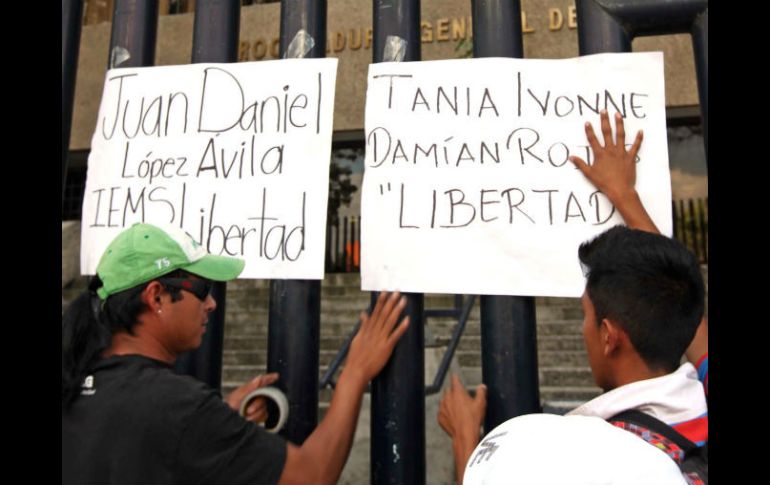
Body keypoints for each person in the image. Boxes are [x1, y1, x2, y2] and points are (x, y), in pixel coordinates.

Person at [438, 110, 707, 485]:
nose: (583, 329)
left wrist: (467, 441)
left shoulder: (595, 461)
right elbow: (674, 296)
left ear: (609, 335)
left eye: (585, 315)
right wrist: (625, 195)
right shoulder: (700, 404)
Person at [62, 222, 410, 485]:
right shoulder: (179, 408)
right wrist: (354, 374)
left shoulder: (76, 381)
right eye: (203, 288)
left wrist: (221, 416)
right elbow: (311, 476)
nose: (212, 304)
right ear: (156, 297)